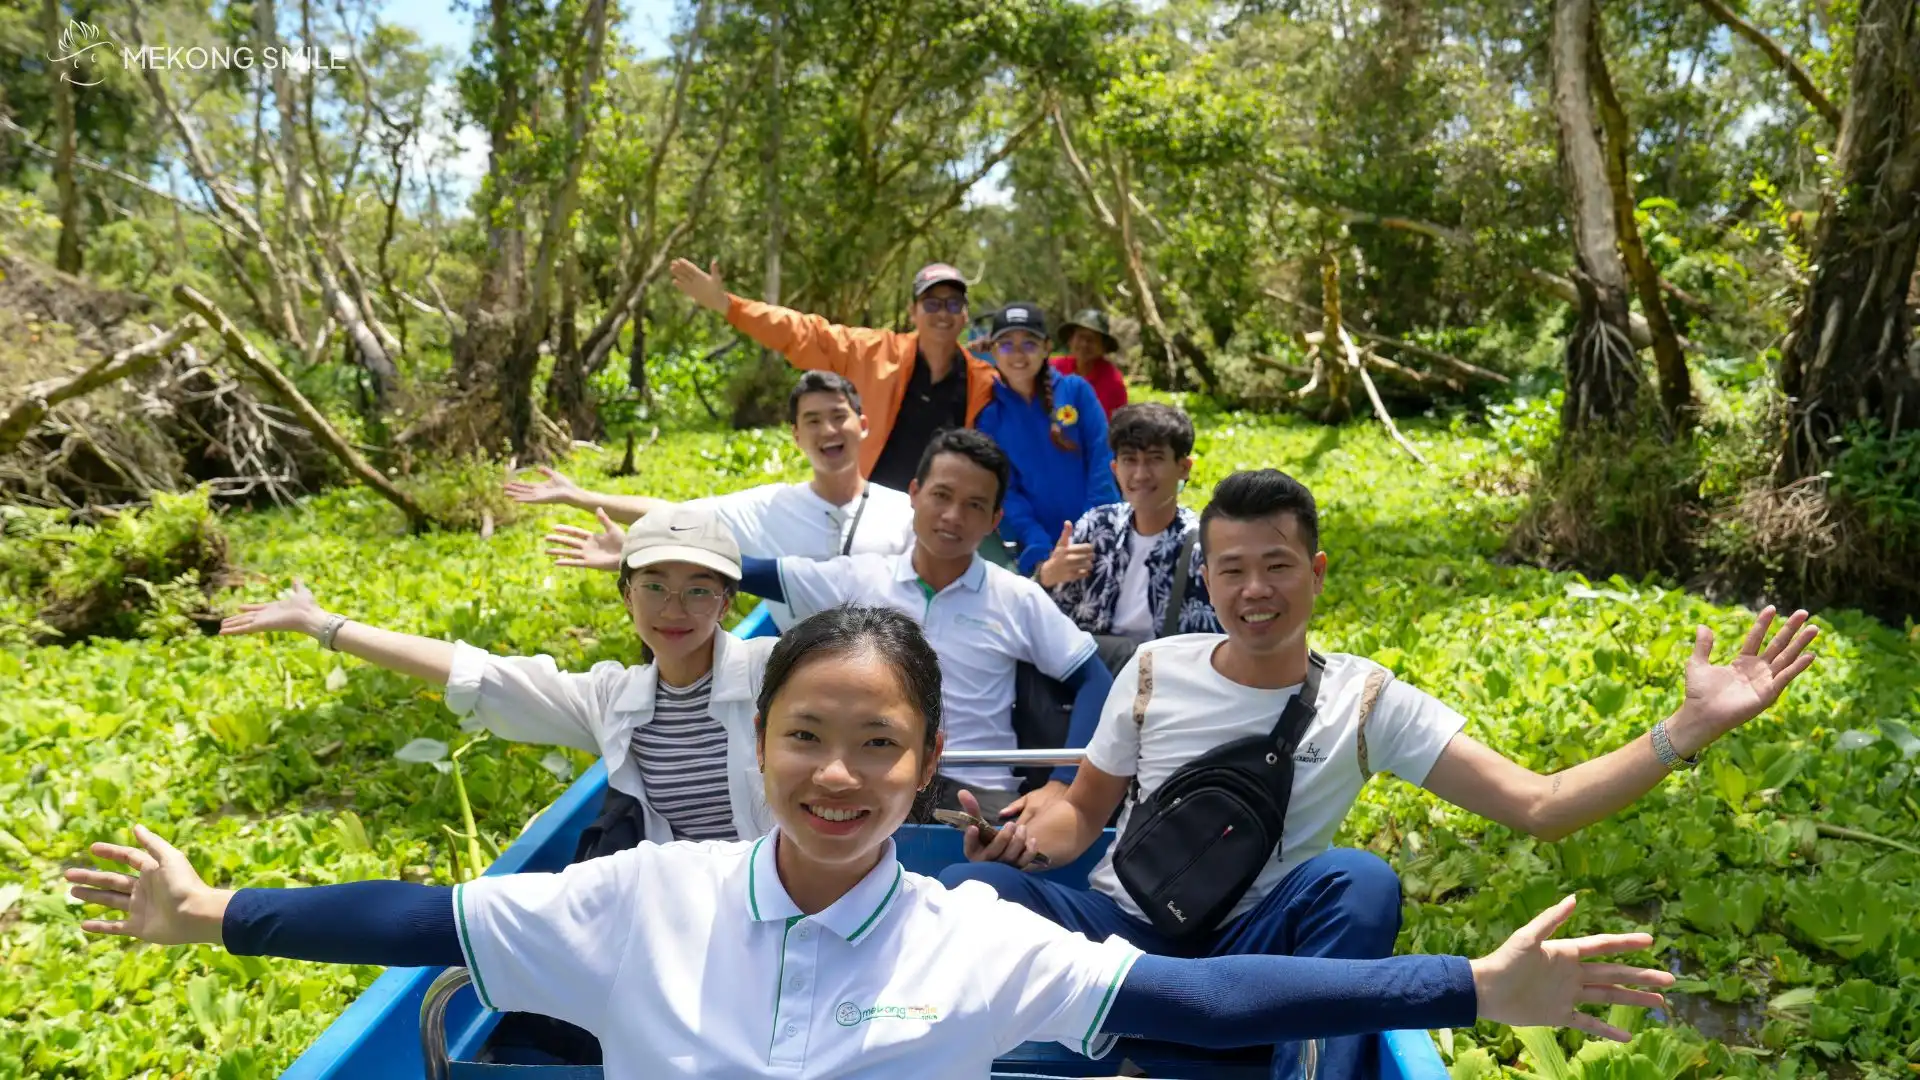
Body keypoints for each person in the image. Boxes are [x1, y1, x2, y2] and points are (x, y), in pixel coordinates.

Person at [69, 605, 1678, 1080]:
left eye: (880, 747)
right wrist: (213, 915)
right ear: (761, 749)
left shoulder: (980, 940)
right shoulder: (638, 894)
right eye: (808, 740)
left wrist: (1470, 989)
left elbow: (1202, 1008)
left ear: (924, 777)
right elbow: (423, 919)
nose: (839, 777)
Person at [945, 468, 1819, 1080]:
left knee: (1358, 880)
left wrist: (1686, 729)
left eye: (1278, 566)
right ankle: (1165, 1042)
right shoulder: (1154, 670)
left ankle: (1269, 1063)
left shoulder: (1366, 699)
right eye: (1234, 570)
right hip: (1124, 936)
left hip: (1260, 961)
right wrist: (1018, 845)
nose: (1256, 590)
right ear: (1207, 576)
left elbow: (1541, 805)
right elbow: (1081, 811)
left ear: (1316, 574)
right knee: (968, 894)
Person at [217, 506, 779, 848]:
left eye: (698, 590)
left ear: (726, 602)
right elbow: (473, 671)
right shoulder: (613, 698)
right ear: (627, 595)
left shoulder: (773, 671)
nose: (673, 609)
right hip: (694, 907)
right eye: (653, 586)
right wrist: (324, 625)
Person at [736, 428, 1112, 823]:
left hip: (975, 791)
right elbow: (753, 572)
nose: (953, 516)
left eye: (974, 505)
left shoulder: (1017, 597)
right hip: (874, 777)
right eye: (941, 495)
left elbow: (1096, 680)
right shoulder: (859, 579)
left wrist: (1062, 782)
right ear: (914, 493)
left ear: (995, 519)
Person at [510, 371, 914, 629]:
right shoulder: (769, 507)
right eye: (812, 420)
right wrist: (580, 497)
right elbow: (674, 516)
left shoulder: (904, 512)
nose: (828, 429)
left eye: (838, 416)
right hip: (807, 671)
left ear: (861, 425)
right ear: (795, 436)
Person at [669, 257, 998, 494]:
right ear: (913, 311)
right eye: (932, 304)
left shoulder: (981, 379)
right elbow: (803, 333)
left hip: (939, 519)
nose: (943, 313)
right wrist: (729, 306)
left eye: (954, 304)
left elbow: (1037, 378)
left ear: (965, 314)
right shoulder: (873, 352)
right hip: (870, 509)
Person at [1040, 402, 1219, 671]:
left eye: (1155, 459)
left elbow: (1213, 644)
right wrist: (1045, 578)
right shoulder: (1096, 528)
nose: (1140, 474)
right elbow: (1049, 622)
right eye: (1129, 460)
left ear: (1183, 467)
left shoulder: (1203, 547)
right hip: (1088, 679)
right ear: (1115, 468)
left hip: (1166, 688)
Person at [973, 302, 1119, 578]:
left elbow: (1102, 460)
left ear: (1047, 347)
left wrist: (1090, 532)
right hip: (1043, 557)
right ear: (993, 350)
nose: (1018, 354)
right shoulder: (990, 417)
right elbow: (1008, 493)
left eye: (1029, 344)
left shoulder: (1077, 391)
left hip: (1102, 541)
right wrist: (1040, 550)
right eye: (1006, 344)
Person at [1052, 308, 1128, 419]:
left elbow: (1118, 425)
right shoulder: (1054, 367)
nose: (1084, 344)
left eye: (1091, 339)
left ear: (1103, 347)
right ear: (1070, 340)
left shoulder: (1113, 381)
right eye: (1080, 337)